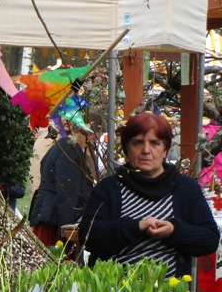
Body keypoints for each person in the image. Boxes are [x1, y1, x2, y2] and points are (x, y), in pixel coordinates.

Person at [79, 112, 220, 276]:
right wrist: (135, 227)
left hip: (171, 289)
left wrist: (174, 231)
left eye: (155, 143)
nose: (146, 150)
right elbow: (87, 237)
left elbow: (210, 239)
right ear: (126, 150)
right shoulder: (108, 189)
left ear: (165, 150)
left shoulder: (186, 188)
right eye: (137, 143)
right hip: (116, 288)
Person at [28, 112, 97, 247]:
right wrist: (68, 229)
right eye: (94, 139)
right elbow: (67, 190)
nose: (93, 144)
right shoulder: (70, 149)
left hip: (50, 215)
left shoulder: (64, 145)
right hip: (55, 221)